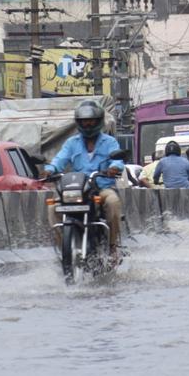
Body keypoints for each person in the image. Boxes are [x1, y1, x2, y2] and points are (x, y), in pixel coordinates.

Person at [44, 101, 125, 259]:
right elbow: (59, 159)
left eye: (91, 120)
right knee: (53, 207)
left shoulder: (109, 142)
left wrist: (114, 168)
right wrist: (49, 170)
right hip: (78, 189)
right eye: (83, 121)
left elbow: (117, 159)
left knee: (113, 202)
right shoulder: (71, 143)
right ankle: (64, 249)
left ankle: (112, 246)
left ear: (99, 121)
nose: (87, 124)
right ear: (78, 122)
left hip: (101, 189)